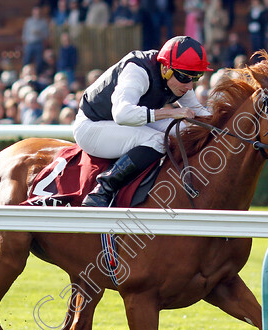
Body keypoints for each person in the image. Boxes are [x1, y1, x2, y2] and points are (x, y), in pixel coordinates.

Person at [74, 36, 213, 207]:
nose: (190, 86)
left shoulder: (176, 76)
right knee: (158, 141)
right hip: (92, 125)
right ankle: (103, 189)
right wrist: (172, 112)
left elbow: (202, 115)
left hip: (127, 122)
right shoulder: (138, 70)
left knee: (184, 131)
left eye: (196, 77)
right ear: (166, 69)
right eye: (185, 77)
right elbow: (122, 114)